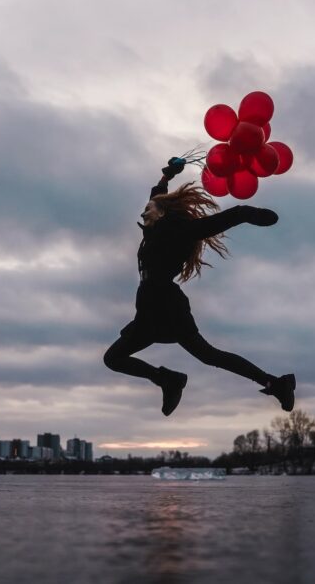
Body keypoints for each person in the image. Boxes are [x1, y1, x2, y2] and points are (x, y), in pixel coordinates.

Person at [103, 157, 296, 416]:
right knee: (113, 358)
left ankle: (276, 384)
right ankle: (167, 379)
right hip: (148, 309)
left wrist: (248, 214)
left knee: (209, 356)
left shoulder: (179, 230)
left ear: (162, 212)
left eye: (147, 209)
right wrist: (167, 177)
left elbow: (216, 222)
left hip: (168, 306)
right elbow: (157, 196)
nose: (142, 212)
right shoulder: (152, 232)